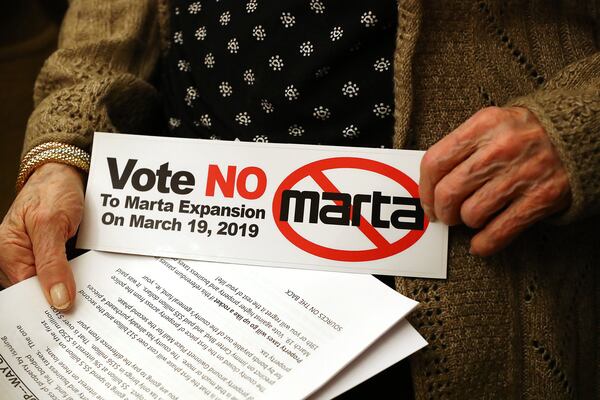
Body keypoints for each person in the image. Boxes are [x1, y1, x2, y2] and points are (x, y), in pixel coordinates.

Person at [0, 0, 598, 398]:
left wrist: (577, 125)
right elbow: (103, 28)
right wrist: (62, 147)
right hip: (171, 246)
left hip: (452, 268)